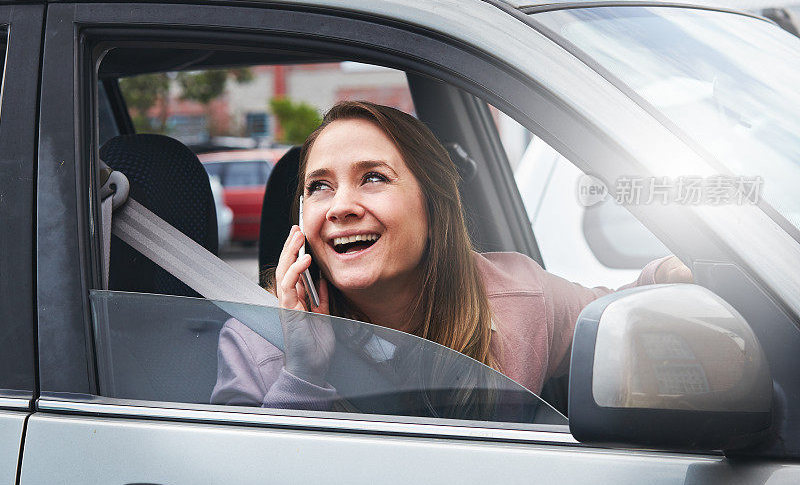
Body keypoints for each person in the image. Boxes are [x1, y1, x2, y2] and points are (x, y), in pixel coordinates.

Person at [211, 101, 691, 410]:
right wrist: (303, 372)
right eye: (320, 187)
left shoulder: (519, 297)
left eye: (373, 177)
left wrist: (681, 271)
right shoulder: (257, 340)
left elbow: (618, 314)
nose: (340, 207)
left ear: (434, 204)